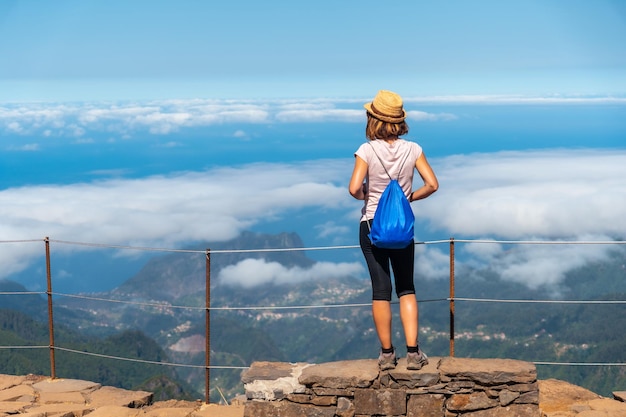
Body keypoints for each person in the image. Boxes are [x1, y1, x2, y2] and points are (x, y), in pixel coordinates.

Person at [349, 90, 439, 371]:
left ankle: (387, 355)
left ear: (373, 119)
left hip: (373, 224)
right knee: (407, 288)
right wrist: (409, 197)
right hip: (401, 228)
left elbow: (354, 188)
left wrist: (367, 195)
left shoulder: (366, 150)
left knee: (381, 290)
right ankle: (414, 354)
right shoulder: (413, 149)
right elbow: (432, 184)